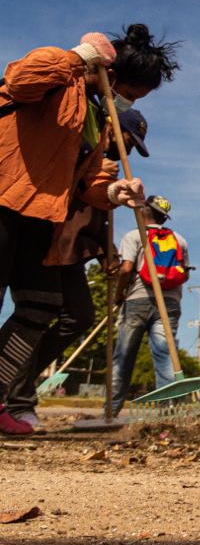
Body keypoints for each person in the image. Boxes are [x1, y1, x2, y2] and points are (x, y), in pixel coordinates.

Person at [0, 24, 178, 435]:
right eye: (130, 92)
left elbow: (85, 178)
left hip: (39, 217)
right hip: (5, 199)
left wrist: (115, 191)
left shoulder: (95, 118)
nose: (128, 101)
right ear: (109, 74)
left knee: (41, 305)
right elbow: (20, 79)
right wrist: (80, 55)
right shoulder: (61, 79)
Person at [3, 108, 151, 428]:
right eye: (127, 138)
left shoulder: (105, 168)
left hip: (71, 251)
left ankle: (18, 384)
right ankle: (18, 396)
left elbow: (96, 219)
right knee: (39, 312)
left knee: (79, 315)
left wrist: (107, 254)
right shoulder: (84, 149)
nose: (127, 146)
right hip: (52, 242)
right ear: (112, 127)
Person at [109, 195, 188, 416]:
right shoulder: (179, 240)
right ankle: (167, 413)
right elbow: (184, 274)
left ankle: (111, 410)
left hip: (137, 300)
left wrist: (118, 294)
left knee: (123, 356)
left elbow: (126, 269)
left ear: (144, 212)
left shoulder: (135, 236)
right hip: (170, 304)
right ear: (164, 217)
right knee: (165, 356)